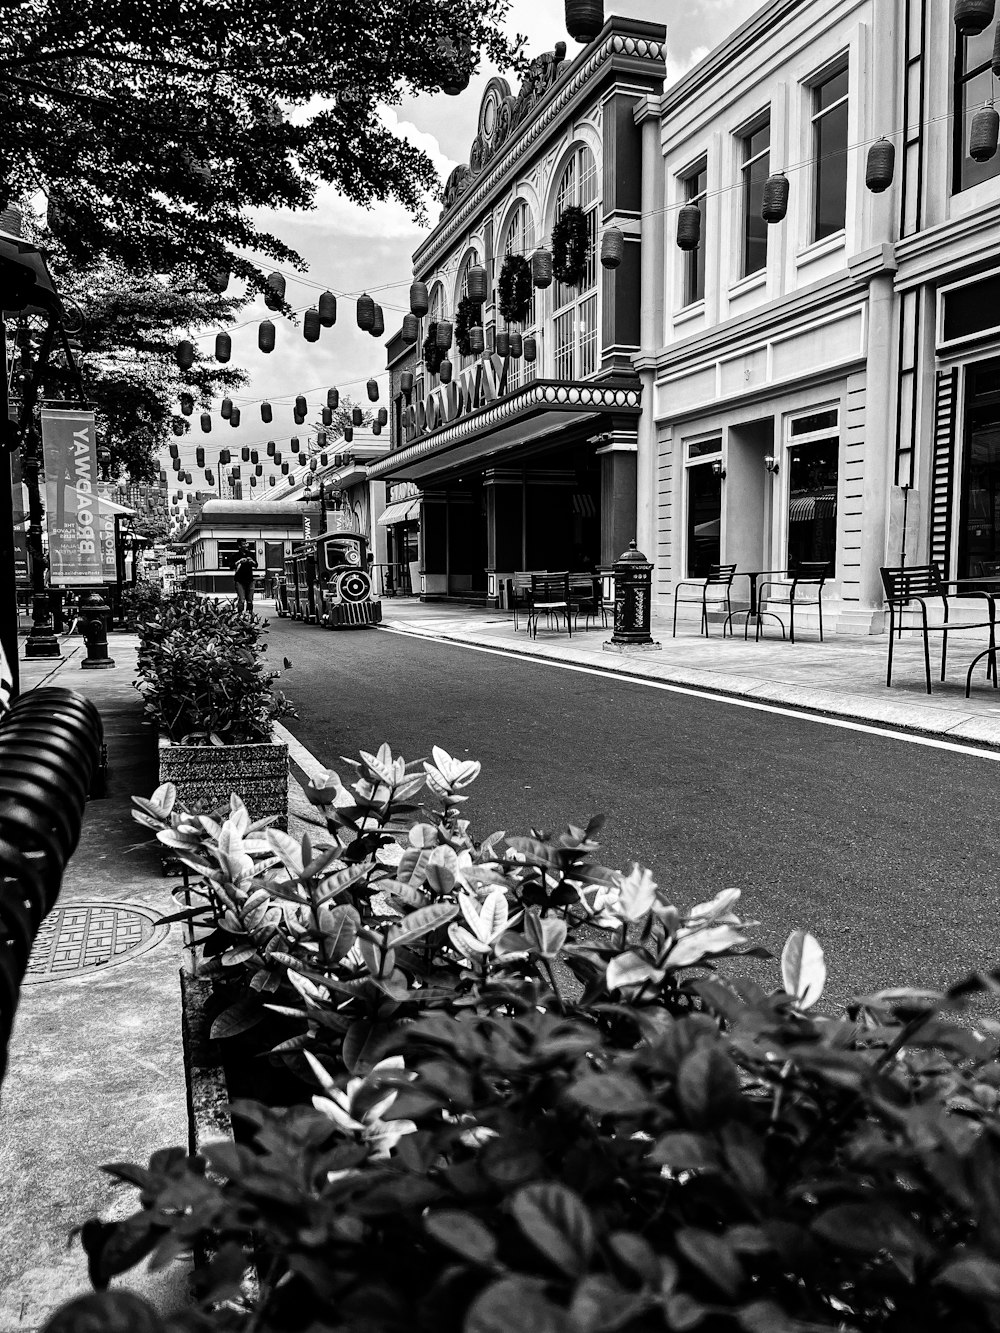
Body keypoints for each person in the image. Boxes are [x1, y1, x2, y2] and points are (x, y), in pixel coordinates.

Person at [233, 541, 257, 615]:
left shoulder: (251, 554)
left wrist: (251, 561)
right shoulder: (236, 555)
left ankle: (249, 613)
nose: (246, 545)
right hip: (239, 580)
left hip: (250, 579)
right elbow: (231, 566)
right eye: (244, 544)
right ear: (239, 546)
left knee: (250, 599)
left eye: (246, 544)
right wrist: (239, 561)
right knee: (242, 599)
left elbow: (256, 564)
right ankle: (240, 614)